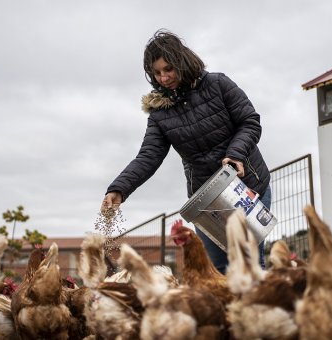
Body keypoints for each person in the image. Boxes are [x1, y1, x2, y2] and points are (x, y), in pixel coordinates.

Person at [100, 29, 271, 274]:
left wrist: (235, 154)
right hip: (207, 198)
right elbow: (149, 155)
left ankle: (257, 312)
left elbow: (250, 121)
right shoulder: (160, 113)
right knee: (217, 270)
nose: (164, 78)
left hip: (248, 185)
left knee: (249, 265)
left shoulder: (218, 84)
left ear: (182, 62)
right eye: (156, 73)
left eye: (168, 69)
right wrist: (119, 188)